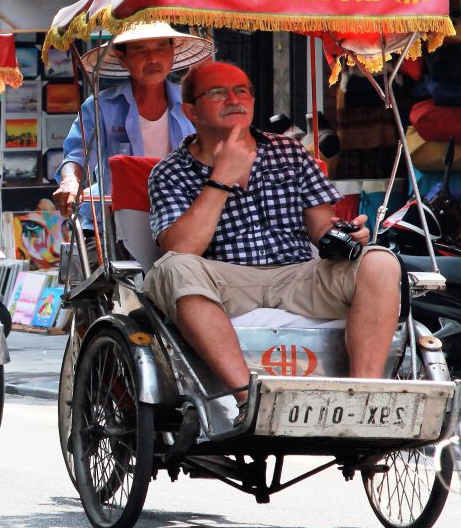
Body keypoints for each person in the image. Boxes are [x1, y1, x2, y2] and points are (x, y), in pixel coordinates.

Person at [144, 61, 400, 422]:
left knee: (380, 261)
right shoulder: (170, 171)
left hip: (297, 275)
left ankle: (364, 401)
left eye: (242, 91)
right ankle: (250, 399)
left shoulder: (290, 153)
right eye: (218, 93)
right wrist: (221, 179)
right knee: (173, 267)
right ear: (190, 111)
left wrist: (348, 234)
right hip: (224, 281)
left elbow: (321, 228)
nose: (234, 100)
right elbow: (182, 247)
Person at [53, 23, 212, 232]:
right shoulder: (100, 107)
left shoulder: (193, 105)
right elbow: (77, 156)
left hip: (181, 219)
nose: (153, 58)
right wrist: (69, 182)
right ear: (122, 58)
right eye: (141, 50)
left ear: (172, 52)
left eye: (161, 48)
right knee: (92, 262)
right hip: (111, 222)